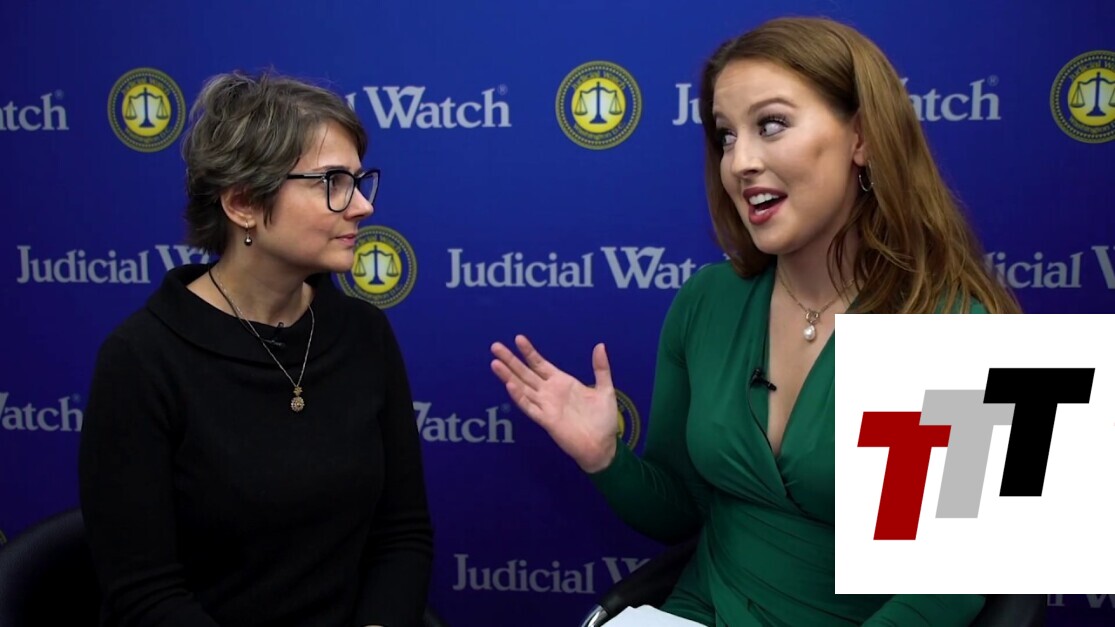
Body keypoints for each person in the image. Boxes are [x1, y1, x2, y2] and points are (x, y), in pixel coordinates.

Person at [490, 16, 1020, 627]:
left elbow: (943, 595)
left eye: (771, 125)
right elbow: (678, 514)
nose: (739, 162)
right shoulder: (706, 301)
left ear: (862, 137)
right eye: (725, 136)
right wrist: (605, 458)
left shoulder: (963, 329)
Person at [79, 70, 433, 627]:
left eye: (360, 180)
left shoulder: (363, 333)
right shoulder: (142, 359)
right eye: (333, 181)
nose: (362, 205)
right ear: (243, 203)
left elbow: (401, 534)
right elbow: (145, 594)